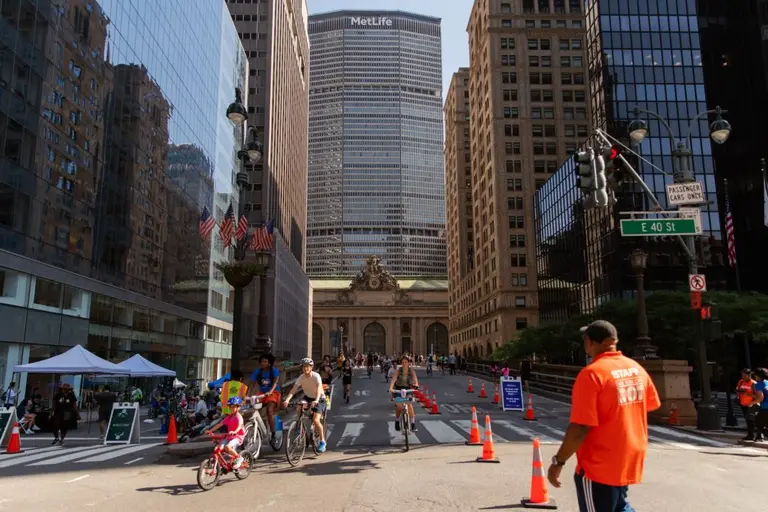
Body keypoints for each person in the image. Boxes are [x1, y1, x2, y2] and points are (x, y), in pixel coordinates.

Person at [547, 320, 660, 512]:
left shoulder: (591, 374)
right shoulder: (636, 369)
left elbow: (580, 428)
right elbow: (650, 405)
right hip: (628, 457)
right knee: (619, 505)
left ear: (590, 342)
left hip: (599, 464)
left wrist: (558, 462)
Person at [282, 358, 327, 453]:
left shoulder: (316, 376)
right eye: (304, 367)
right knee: (299, 405)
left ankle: (322, 441)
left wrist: (317, 400)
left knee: (315, 420)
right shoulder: (301, 378)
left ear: (311, 367)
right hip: (308, 397)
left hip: (320, 398)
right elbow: (293, 389)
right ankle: (299, 425)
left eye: (307, 366)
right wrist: (287, 400)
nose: (305, 368)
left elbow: (319, 388)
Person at [205, 396, 246, 469]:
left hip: (237, 437)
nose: (232, 409)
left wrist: (235, 431)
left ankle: (239, 458)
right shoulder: (229, 417)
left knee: (227, 447)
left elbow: (240, 426)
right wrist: (210, 430)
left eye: (234, 407)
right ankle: (223, 466)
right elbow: (219, 424)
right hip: (229, 436)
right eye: (230, 407)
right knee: (217, 449)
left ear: (238, 407)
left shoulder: (239, 417)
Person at [251, 353, 281, 443]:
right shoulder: (258, 372)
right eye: (262, 361)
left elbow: (275, 383)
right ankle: (258, 427)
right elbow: (251, 384)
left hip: (273, 392)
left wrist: (270, 392)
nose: (263, 363)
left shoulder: (274, 371)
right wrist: (247, 395)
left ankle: (273, 434)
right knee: (253, 407)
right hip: (262, 393)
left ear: (270, 363)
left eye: (265, 362)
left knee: (269, 411)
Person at [388, 355, 420, 432]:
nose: (404, 363)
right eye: (403, 362)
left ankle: (412, 424)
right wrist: (391, 388)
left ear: (408, 363)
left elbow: (415, 381)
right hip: (398, 389)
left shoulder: (411, 371)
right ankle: (397, 421)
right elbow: (393, 379)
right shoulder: (398, 370)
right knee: (399, 407)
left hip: (408, 389)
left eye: (406, 362)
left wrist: (416, 386)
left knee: (409, 405)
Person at [735, 368, 757, 441]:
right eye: (742, 375)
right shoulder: (740, 382)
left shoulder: (753, 383)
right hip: (743, 404)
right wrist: (738, 393)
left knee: (751, 420)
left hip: (751, 404)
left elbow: (757, 395)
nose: (743, 377)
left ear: (749, 375)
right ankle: (750, 434)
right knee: (747, 420)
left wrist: (747, 393)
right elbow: (737, 390)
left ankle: (753, 435)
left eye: (744, 375)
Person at [750, 368, 768, 442]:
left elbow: (760, 398)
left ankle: (760, 436)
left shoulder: (759, 384)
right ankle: (759, 437)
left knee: (758, 422)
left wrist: (751, 403)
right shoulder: (767, 382)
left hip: (765, 407)